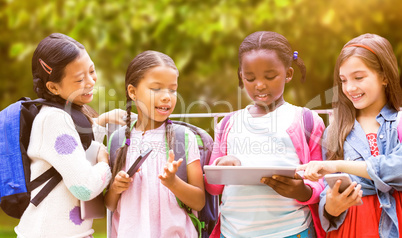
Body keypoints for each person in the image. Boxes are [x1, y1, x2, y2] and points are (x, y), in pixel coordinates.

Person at [204, 31, 326, 238]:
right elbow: (213, 187)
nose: (259, 85)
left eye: (270, 77)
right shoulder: (228, 123)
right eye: (250, 78)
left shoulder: (307, 120)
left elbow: (321, 180)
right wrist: (221, 167)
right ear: (241, 76)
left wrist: (302, 191)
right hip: (233, 232)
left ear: (288, 74)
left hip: (291, 231)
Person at [13, 33, 127, 238]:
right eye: (80, 79)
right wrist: (105, 163)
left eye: (92, 71)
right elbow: (85, 187)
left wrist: (101, 122)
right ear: (53, 87)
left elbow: (77, 149)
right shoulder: (54, 120)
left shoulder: (61, 114)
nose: (91, 81)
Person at [297, 33, 402, 237]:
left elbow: (398, 168)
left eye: (359, 77)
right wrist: (331, 208)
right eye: (343, 80)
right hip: (351, 227)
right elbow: (326, 195)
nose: (350, 88)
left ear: (385, 76)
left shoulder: (399, 123)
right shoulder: (335, 131)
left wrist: (337, 166)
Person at [104, 50, 205, 238]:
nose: (167, 96)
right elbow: (110, 204)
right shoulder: (117, 140)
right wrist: (116, 188)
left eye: (172, 90)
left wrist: (173, 183)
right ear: (132, 92)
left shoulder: (184, 138)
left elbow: (199, 202)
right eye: (157, 89)